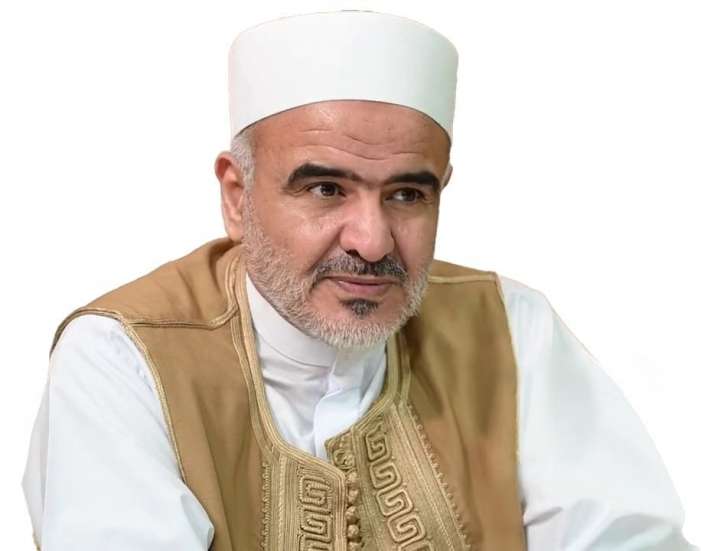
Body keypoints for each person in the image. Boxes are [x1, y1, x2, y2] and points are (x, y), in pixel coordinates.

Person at [22, 9, 696, 551]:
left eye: (406, 194)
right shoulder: (126, 357)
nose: (371, 241)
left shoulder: (511, 330)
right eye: (325, 189)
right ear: (237, 195)